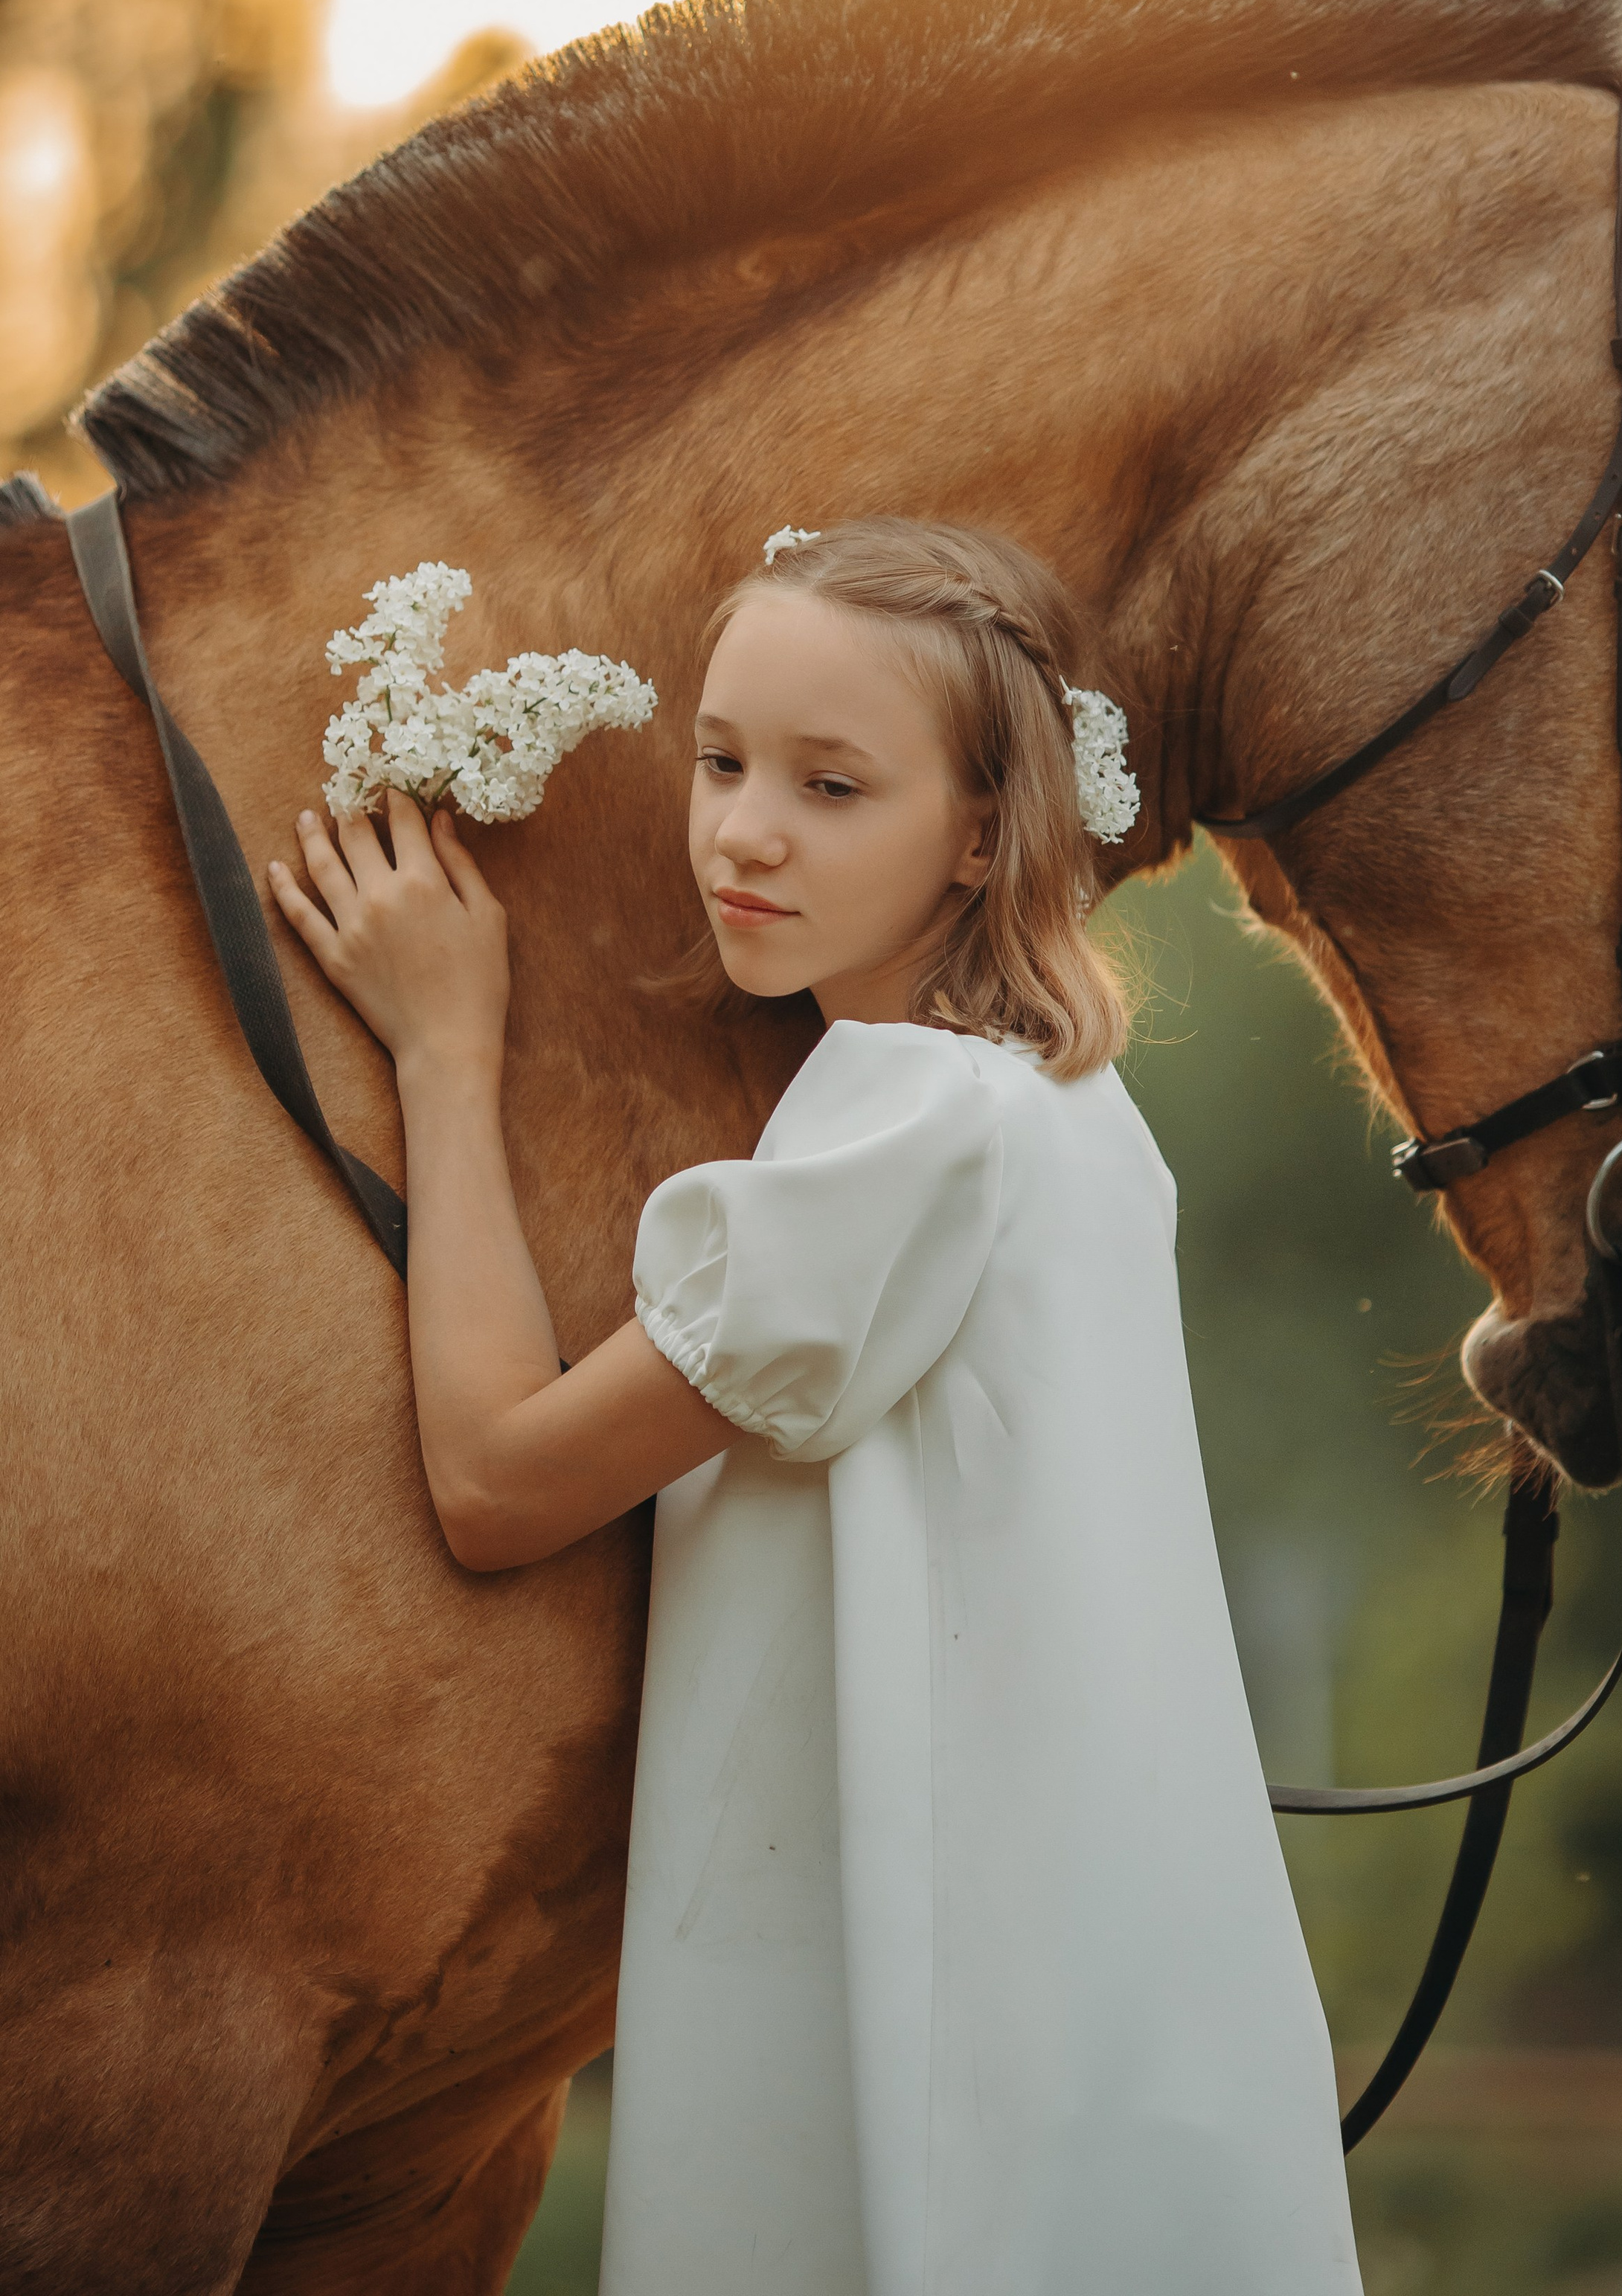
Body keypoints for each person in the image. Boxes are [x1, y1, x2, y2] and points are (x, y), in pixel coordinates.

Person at [268, 516, 1362, 2296]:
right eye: (719, 763)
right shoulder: (1069, 1113)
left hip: (927, 2032)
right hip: (1100, 2018)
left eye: (831, 786)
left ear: (982, 832)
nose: (743, 833)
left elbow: (496, 1484)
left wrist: (446, 1053)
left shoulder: (908, 1124)